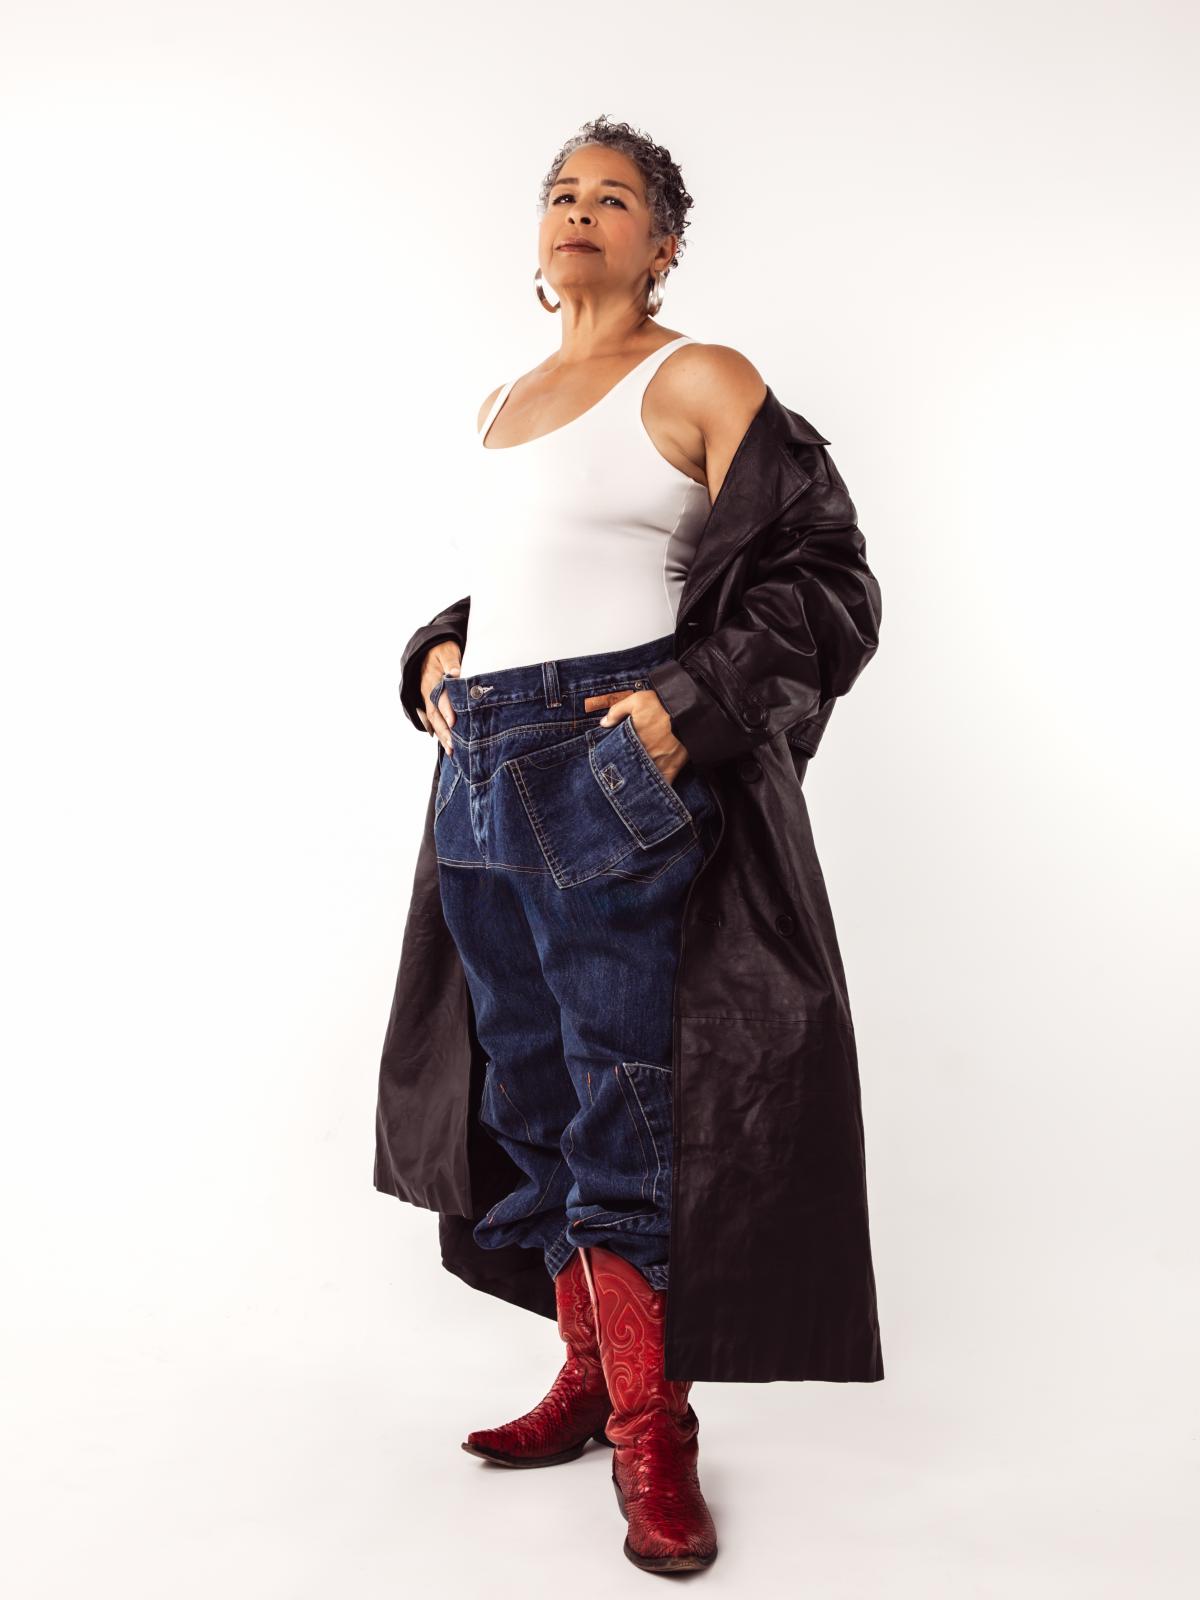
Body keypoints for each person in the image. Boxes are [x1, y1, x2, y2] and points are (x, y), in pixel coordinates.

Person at [375, 114, 885, 1578]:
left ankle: (658, 1426)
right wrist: (439, 654)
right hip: (482, 771)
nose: (579, 210)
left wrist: (685, 712)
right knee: (528, 1091)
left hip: (610, 769)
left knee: (629, 1099)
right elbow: (526, 580)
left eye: (614, 196)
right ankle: (592, 1377)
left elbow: (824, 575)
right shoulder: (503, 399)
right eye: (561, 192)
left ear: (665, 243)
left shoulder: (699, 376)